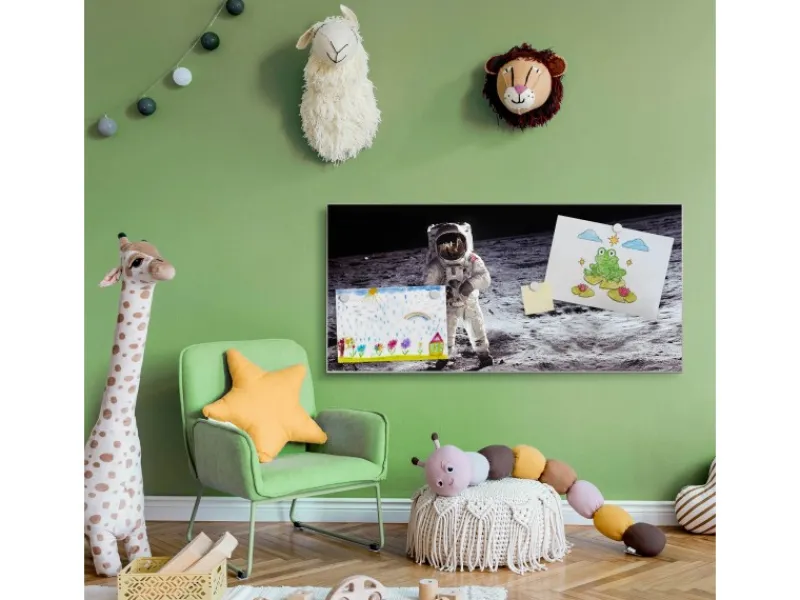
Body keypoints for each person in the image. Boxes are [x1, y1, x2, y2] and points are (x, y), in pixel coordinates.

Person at [423, 222, 493, 369]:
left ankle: (483, 355)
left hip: (469, 303)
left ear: (464, 243)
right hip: (448, 306)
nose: (452, 251)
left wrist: (470, 285)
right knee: (446, 333)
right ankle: (443, 357)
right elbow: (428, 288)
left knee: (477, 330)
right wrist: (441, 293)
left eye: (456, 246)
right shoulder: (436, 266)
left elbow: (485, 278)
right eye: (445, 248)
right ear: (437, 248)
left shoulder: (472, 260)